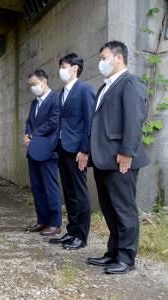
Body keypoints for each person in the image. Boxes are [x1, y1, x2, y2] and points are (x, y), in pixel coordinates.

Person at [87, 41, 150, 274]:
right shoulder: (104, 87)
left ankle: (126, 257)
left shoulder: (130, 83)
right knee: (109, 209)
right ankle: (113, 252)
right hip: (103, 159)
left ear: (119, 58)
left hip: (121, 159)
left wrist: (126, 152)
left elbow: (134, 120)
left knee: (124, 210)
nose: (100, 62)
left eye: (104, 57)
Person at [49, 53, 95, 250]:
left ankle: (81, 236)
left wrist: (85, 150)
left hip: (77, 150)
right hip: (62, 148)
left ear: (75, 68)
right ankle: (71, 231)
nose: (61, 70)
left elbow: (90, 121)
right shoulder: (61, 93)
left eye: (64, 66)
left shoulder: (85, 90)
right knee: (68, 192)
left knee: (80, 192)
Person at [24, 69, 62, 236]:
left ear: (44, 81)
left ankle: (55, 223)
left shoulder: (56, 99)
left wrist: (33, 135)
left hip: (48, 150)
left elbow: (54, 122)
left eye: (34, 84)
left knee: (50, 186)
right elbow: (29, 122)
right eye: (30, 85)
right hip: (33, 151)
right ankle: (42, 221)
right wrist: (27, 134)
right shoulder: (35, 103)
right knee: (37, 187)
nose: (32, 87)